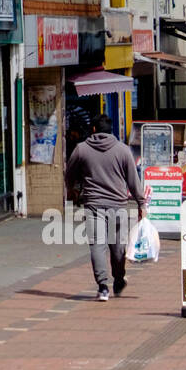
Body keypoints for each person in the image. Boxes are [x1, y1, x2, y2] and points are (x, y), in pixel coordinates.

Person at [65, 113, 149, 301]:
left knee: (97, 245)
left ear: (93, 129)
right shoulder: (123, 150)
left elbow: (69, 173)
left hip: (93, 205)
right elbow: (133, 180)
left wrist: (71, 191)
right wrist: (141, 203)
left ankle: (102, 287)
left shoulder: (81, 149)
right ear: (110, 131)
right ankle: (118, 279)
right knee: (118, 247)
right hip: (118, 206)